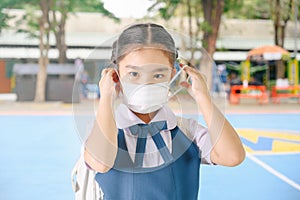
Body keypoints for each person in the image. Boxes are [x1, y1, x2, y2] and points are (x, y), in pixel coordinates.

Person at [83, 23, 245, 200]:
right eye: (134, 74)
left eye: (158, 75)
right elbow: (100, 163)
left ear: (172, 75)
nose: (146, 84)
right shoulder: (103, 129)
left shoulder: (187, 130)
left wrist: (202, 97)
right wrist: (106, 96)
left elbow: (232, 156)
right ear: (116, 76)